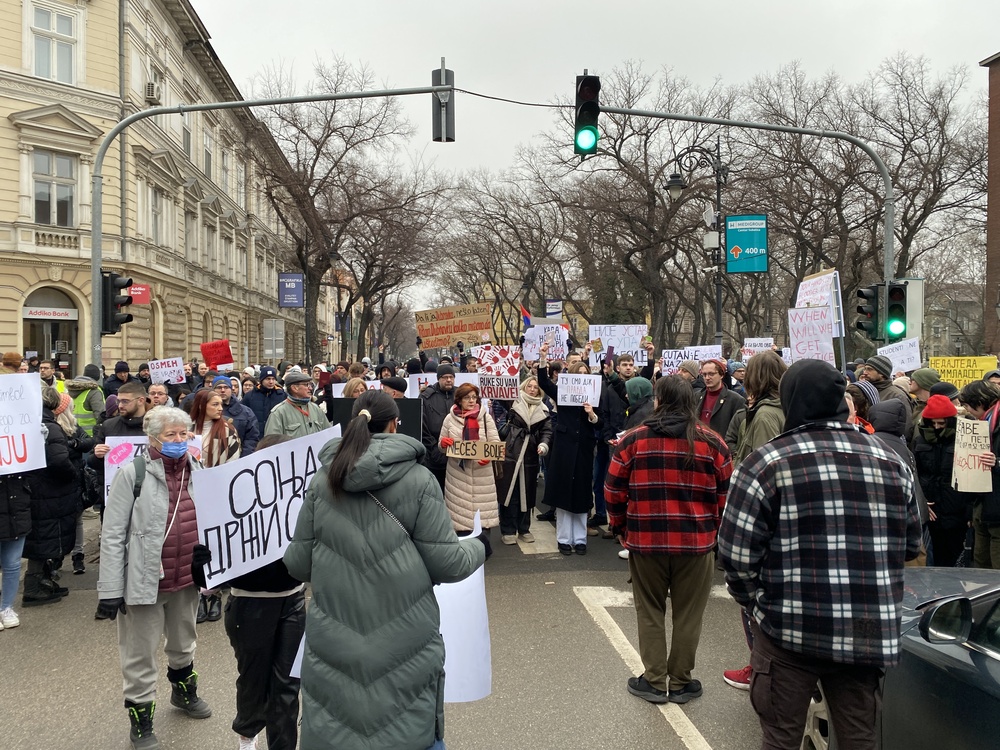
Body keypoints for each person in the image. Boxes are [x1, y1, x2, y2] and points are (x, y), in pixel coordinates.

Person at [719, 359, 921, 750]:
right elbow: (911, 544)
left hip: (789, 623)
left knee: (780, 737)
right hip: (865, 626)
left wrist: (756, 604)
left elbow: (735, 555)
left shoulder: (766, 462)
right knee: (860, 737)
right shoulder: (890, 461)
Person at [283, 390, 486, 750]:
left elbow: (298, 564)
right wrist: (478, 546)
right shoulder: (420, 480)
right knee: (406, 726)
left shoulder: (322, 480)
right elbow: (447, 563)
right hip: (405, 638)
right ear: (395, 424)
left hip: (334, 636)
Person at [606, 375, 732, 705]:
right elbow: (725, 496)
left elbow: (613, 491)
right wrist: (713, 530)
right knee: (689, 614)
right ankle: (680, 681)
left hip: (646, 542)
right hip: (696, 543)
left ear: (658, 401)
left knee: (649, 611)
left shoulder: (633, 440)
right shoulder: (713, 442)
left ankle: (653, 679)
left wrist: (621, 528)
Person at [97, 406, 212, 749]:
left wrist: (210, 562)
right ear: (153, 438)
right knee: (140, 654)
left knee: (183, 642)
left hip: (186, 578)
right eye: (170, 435)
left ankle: (183, 691)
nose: (178, 440)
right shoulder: (132, 475)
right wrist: (110, 590)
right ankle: (141, 719)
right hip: (144, 582)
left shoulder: (200, 470)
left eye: (183, 433)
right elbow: (113, 534)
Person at [192, 433, 306, 750]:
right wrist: (200, 562)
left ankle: (283, 745)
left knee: (287, 683)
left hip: (293, 602)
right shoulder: (233, 503)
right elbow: (207, 577)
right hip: (249, 606)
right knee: (254, 678)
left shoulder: (301, 501)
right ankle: (247, 735)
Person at [719, 350, 788, 690]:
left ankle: (760, 669)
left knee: (755, 604)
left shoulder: (764, 417)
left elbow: (764, 473)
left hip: (765, 521)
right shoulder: (772, 409)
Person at [537, 343, 602, 554]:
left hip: (584, 447)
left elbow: (600, 422)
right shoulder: (562, 392)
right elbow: (544, 382)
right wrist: (543, 358)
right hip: (564, 447)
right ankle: (564, 538)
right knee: (564, 492)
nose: (583, 376)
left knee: (582, 492)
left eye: (586, 373)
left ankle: (580, 539)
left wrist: (591, 414)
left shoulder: (593, 395)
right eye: (579, 373)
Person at [21, 387, 82, 607]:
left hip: (35, 488)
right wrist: (73, 475)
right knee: (44, 537)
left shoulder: (29, 423)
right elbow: (59, 461)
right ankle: (35, 587)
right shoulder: (50, 427)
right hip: (49, 491)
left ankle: (43, 582)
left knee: (41, 536)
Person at [913, 394, 969, 567]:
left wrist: (969, 511)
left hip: (955, 507)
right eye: (933, 423)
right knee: (934, 556)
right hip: (932, 508)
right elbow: (915, 474)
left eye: (941, 423)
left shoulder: (963, 441)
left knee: (955, 554)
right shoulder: (919, 441)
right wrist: (922, 502)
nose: (936, 427)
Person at [439, 383, 502, 535]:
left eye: (474, 397)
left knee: (483, 523)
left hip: (482, 476)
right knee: (460, 522)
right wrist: (443, 443)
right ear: (459, 400)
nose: (472, 401)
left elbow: (495, 443)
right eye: (467, 397)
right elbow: (441, 445)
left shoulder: (486, 418)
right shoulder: (449, 419)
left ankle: (482, 552)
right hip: (458, 476)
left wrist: (488, 456)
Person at [496, 377, 552, 545]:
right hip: (511, 451)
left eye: (536, 387)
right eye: (530, 385)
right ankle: (508, 530)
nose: (532, 389)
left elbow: (547, 431)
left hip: (530, 454)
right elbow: (499, 393)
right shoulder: (514, 402)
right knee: (509, 491)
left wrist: (543, 445)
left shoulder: (544, 410)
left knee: (526, 492)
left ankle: (524, 529)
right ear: (524, 386)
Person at [0, 364, 32, 629]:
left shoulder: (23, 428)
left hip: (17, 502)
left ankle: (6, 608)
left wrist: (37, 439)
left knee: (12, 565)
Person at [51, 392, 96, 575]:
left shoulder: (74, 427)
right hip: (61, 480)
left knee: (77, 519)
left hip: (75, 479)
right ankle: (59, 555)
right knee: (61, 521)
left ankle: (78, 555)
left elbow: (88, 442)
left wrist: (75, 444)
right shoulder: (54, 428)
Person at [958, 380, 1000, 569]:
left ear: (981, 401)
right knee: (981, 564)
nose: (965, 409)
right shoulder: (980, 423)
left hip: (996, 506)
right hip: (982, 504)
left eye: (967, 405)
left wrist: (998, 463)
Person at [420, 363, 457, 490]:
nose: (448, 380)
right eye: (445, 377)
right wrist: (435, 449)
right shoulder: (426, 398)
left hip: (457, 457)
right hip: (433, 459)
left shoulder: (460, 396)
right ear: (438, 378)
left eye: (451, 377)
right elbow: (423, 428)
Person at [264, 371, 330, 437]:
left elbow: (328, 435)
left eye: (311, 385)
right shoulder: (279, 413)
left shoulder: (316, 409)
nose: (310, 388)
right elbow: (272, 443)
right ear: (295, 388)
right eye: (306, 385)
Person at [696, 358, 746, 443]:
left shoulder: (735, 400)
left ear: (721, 375)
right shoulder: (696, 397)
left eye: (711, 374)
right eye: (704, 375)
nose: (707, 378)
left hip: (721, 449)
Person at [212, 375, 259, 457]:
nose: (223, 390)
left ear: (231, 389)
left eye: (226, 387)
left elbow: (252, 438)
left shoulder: (246, 412)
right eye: (219, 387)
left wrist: (244, 457)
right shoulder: (207, 411)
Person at [65, 363, 106, 437]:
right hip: (90, 436)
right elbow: (100, 415)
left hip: (72, 434)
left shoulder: (69, 390)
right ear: (97, 377)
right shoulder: (94, 392)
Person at [243, 366, 287, 433]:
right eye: (268, 379)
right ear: (261, 380)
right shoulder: (250, 396)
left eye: (273, 379)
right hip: (256, 436)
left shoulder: (282, 395)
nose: (271, 382)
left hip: (276, 436)